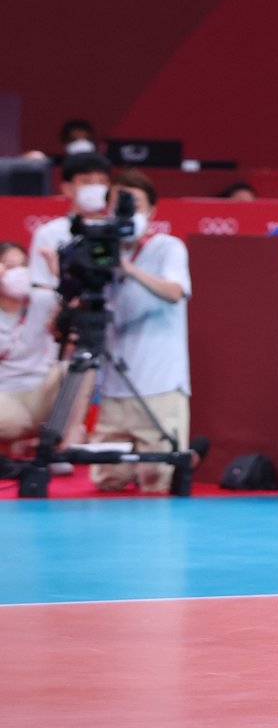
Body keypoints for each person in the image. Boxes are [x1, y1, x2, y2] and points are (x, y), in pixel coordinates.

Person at [91, 172, 193, 493]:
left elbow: (175, 292)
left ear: (152, 211)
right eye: (116, 205)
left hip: (160, 386)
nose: (124, 212)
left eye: (133, 204)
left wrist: (127, 268)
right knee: (106, 481)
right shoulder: (98, 252)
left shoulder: (167, 247)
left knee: (156, 482)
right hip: (113, 389)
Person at [0, 240, 66, 449]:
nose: (18, 273)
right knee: (11, 422)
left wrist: (58, 276)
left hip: (40, 389)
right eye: (9, 267)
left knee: (77, 367)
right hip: (5, 393)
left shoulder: (42, 299)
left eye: (23, 266)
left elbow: (77, 302)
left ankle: (60, 442)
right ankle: (23, 440)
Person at [27, 151, 114, 283]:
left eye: (102, 182)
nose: (96, 188)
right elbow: (40, 284)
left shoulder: (117, 229)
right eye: (87, 181)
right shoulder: (49, 232)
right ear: (67, 188)